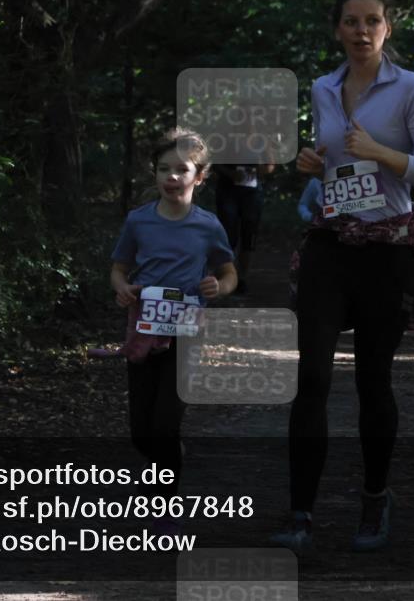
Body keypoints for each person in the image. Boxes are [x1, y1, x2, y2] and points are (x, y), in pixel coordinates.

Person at [272, 0, 414, 553]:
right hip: (330, 245)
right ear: (337, 29)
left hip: (387, 252)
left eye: (372, 21)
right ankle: (301, 513)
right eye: (351, 21)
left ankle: (375, 500)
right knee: (312, 380)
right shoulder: (324, 88)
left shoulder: (411, 89)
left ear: (387, 28)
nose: (361, 31)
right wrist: (311, 161)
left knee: (373, 382)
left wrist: (383, 154)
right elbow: (332, 161)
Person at [110, 128, 237, 532]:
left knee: (165, 423)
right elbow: (119, 268)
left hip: (186, 329)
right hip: (144, 327)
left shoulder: (208, 225)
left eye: (181, 169)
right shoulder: (138, 220)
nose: (171, 177)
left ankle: (163, 500)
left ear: (199, 176)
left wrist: (219, 287)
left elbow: (228, 271)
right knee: (140, 431)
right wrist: (123, 289)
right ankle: (166, 458)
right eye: (164, 169)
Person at [214, 146, 275, 295]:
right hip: (228, 192)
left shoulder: (261, 140)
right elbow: (214, 163)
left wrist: (260, 171)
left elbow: (270, 165)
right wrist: (231, 174)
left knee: (249, 236)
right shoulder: (226, 138)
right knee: (228, 236)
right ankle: (227, 276)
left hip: (251, 194)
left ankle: (242, 279)